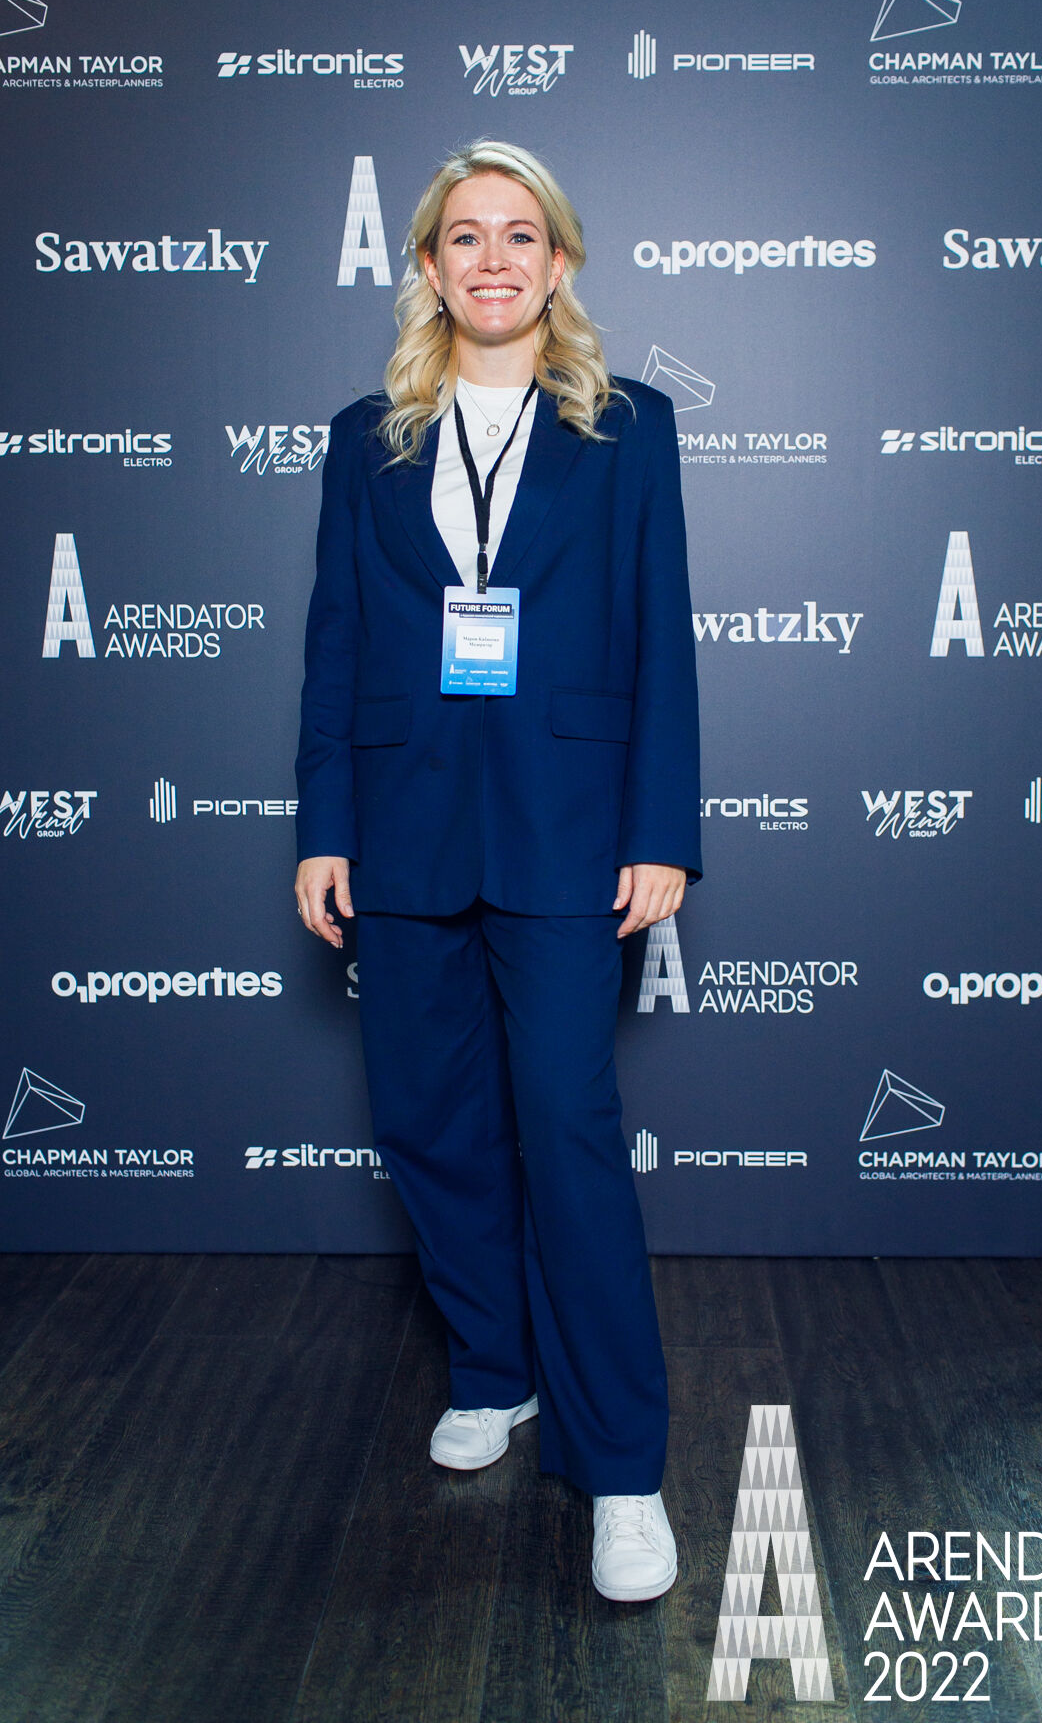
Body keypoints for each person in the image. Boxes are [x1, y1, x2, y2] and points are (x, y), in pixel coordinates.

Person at [294, 139, 700, 1601]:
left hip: (565, 826)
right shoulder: (367, 436)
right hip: (402, 821)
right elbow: (337, 639)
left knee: (567, 1134)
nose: (492, 259)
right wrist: (323, 825)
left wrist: (660, 830)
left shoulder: (628, 427)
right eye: (463, 236)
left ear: (559, 261)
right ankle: (493, 1369)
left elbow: (661, 632)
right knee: (429, 1123)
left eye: (519, 235)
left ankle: (622, 1469)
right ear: (427, 264)